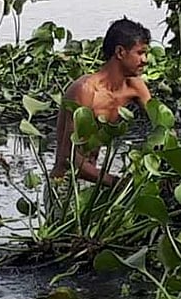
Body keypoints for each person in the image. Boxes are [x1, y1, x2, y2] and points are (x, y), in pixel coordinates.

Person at [52, 19, 152, 186]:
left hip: (95, 180)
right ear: (120, 52)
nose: (145, 60)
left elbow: (163, 126)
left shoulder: (136, 86)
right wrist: (116, 182)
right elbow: (68, 157)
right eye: (140, 53)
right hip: (66, 184)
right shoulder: (85, 90)